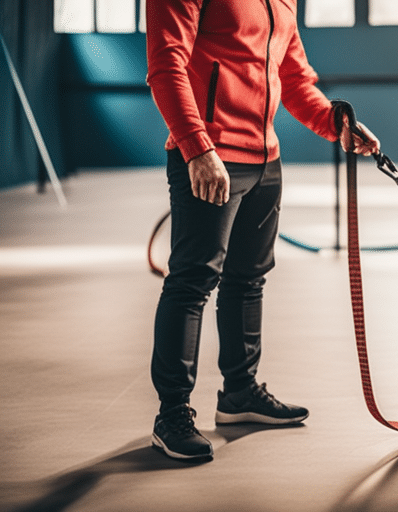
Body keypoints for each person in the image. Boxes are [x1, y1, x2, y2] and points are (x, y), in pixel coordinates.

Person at [145, 0, 379, 461]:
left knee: (248, 280)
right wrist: (197, 148)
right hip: (210, 153)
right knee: (192, 282)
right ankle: (171, 414)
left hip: (264, 158)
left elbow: (294, 77)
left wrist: (336, 124)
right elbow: (165, 64)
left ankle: (240, 393)